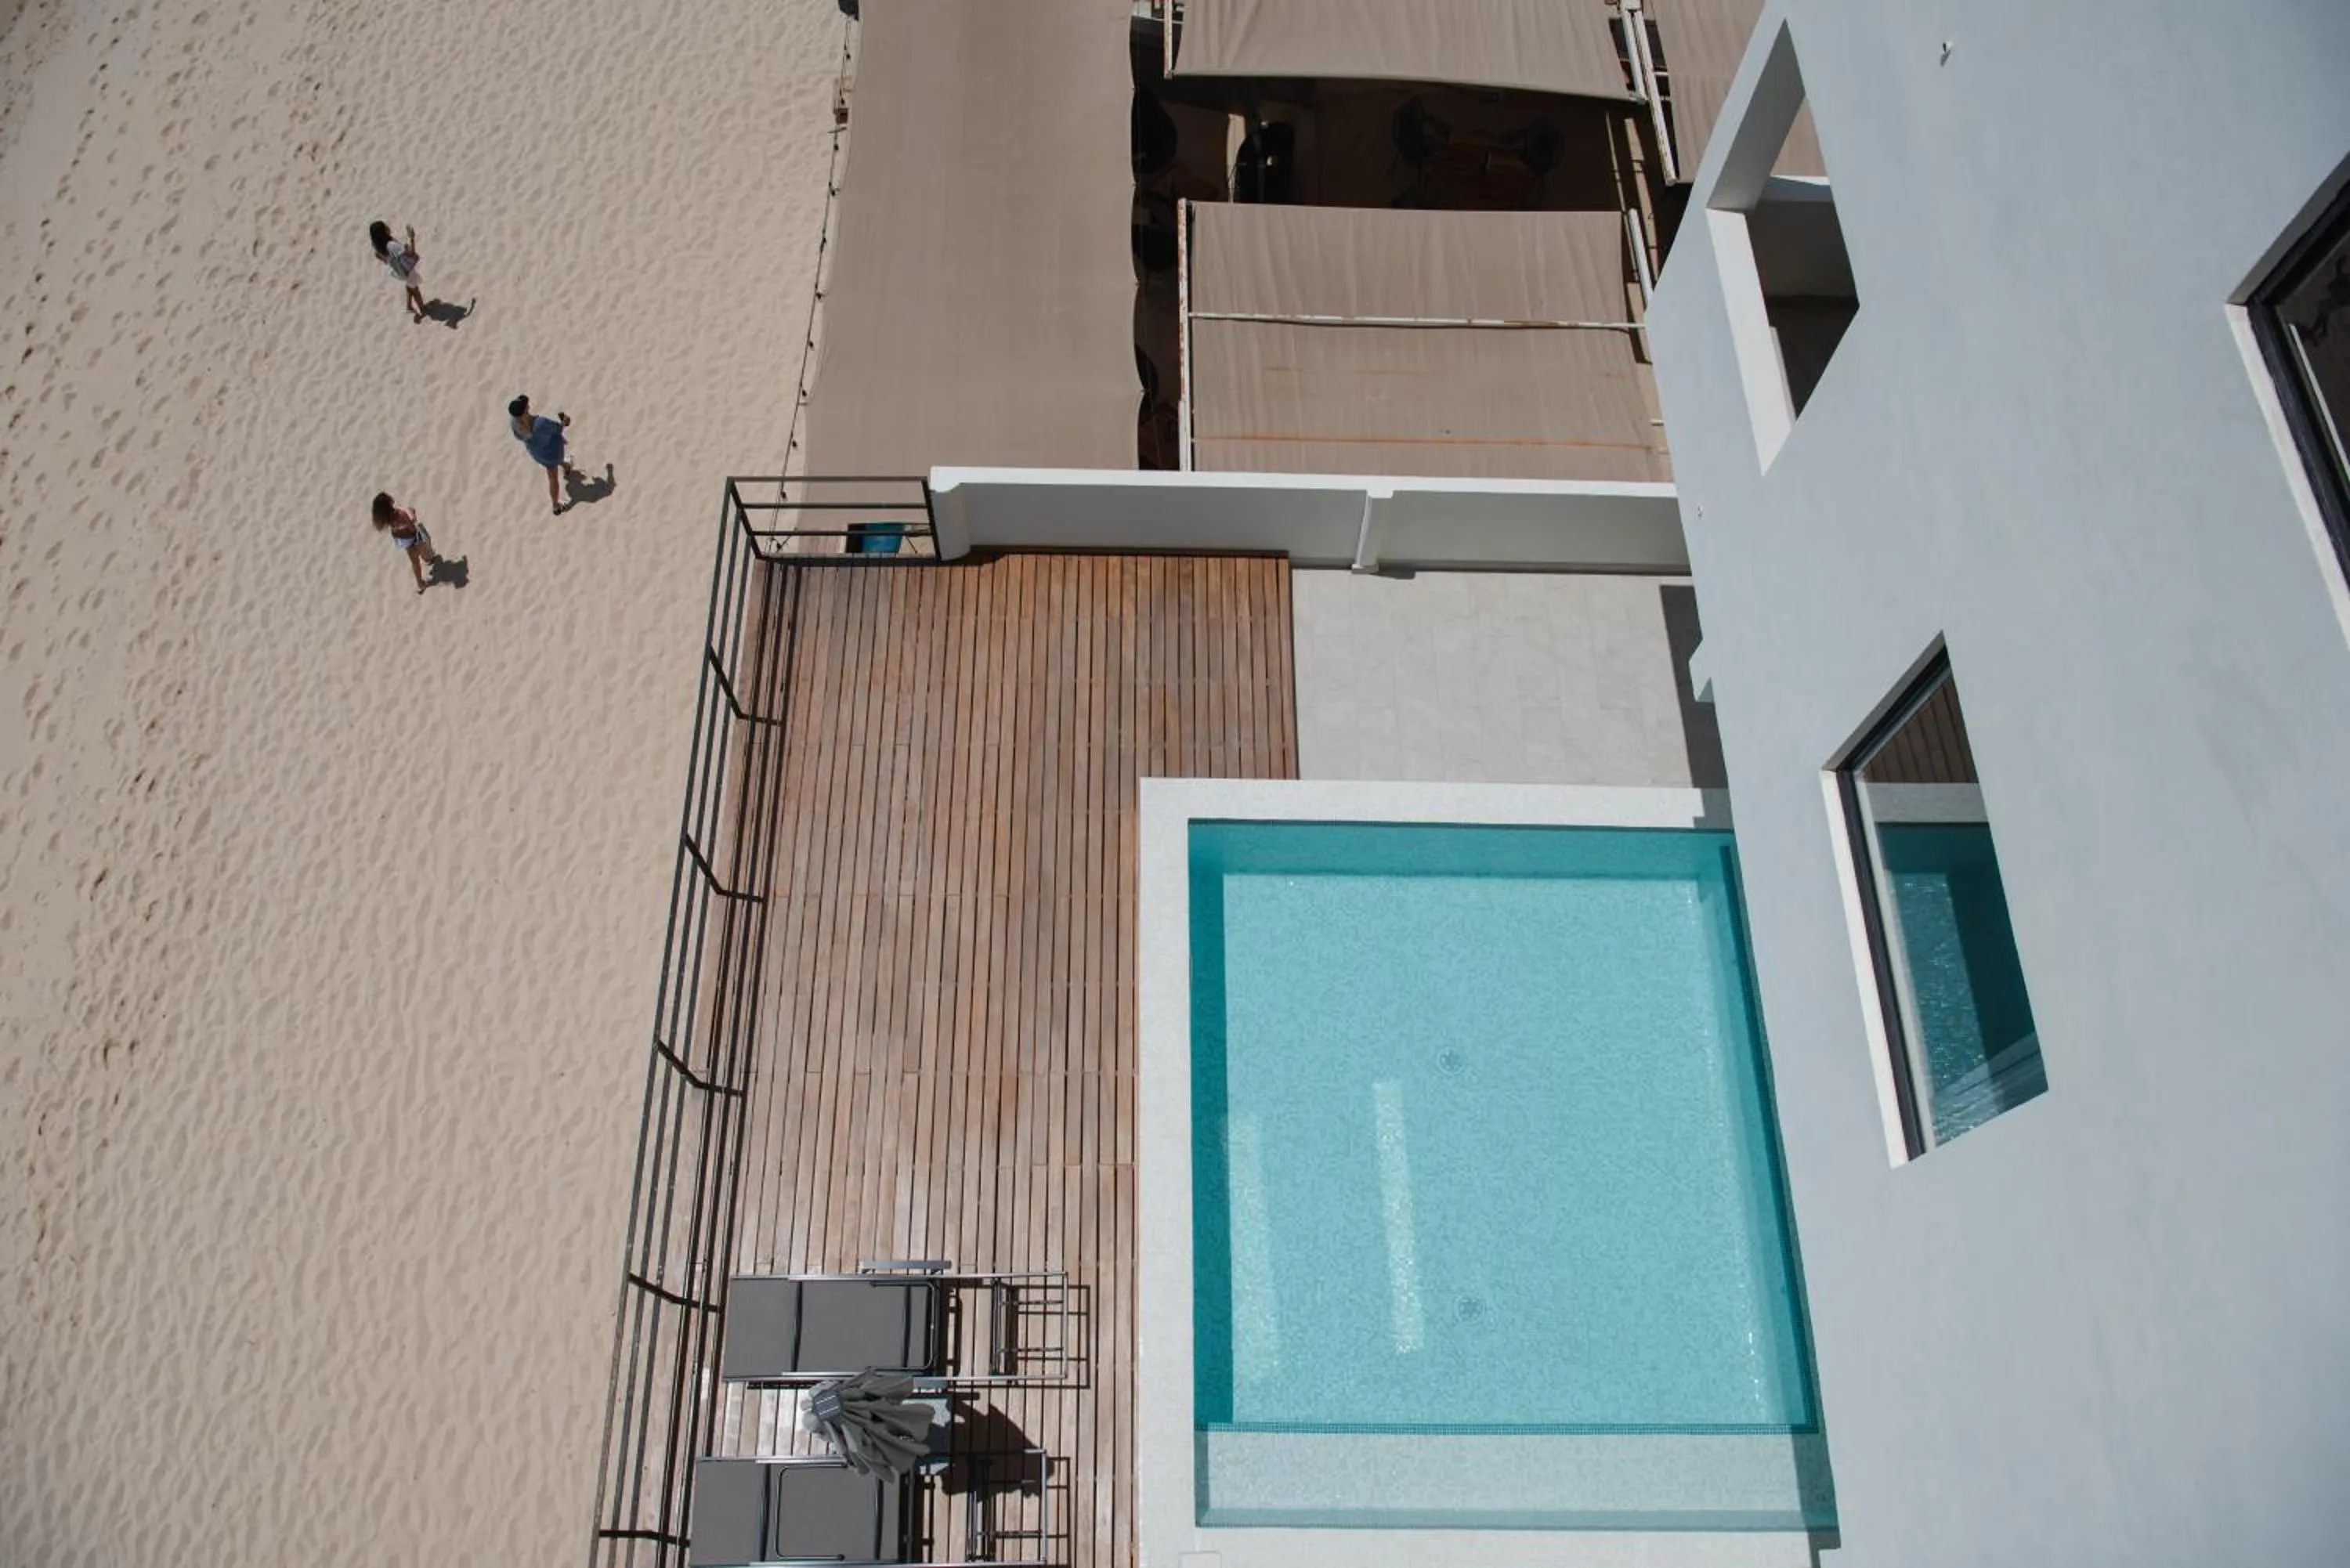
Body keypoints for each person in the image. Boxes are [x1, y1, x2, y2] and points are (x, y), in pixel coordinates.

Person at [508, 393, 580, 515]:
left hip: (537, 452)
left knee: (553, 469)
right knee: (553, 477)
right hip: (552, 450)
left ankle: (566, 468)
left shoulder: (514, 423)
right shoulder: (540, 423)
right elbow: (558, 428)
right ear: (526, 410)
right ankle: (556, 505)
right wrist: (565, 421)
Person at [371, 492, 445, 594]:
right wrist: (412, 514)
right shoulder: (400, 514)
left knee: (415, 562)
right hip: (412, 538)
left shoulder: (388, 519)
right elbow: (412, 528)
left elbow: (396, 528)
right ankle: (428, 559)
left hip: (404, 541)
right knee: (424, 547)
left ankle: (420, 583)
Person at [367, 220, 428, 322]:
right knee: (415, 290)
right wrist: (412, 238)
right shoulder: (391, 245)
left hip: (399, 271)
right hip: (407, 271)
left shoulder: (379, 247)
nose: (388, 227)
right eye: (386, 227)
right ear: (383, 232)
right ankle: (423, 310)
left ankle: (409, 306)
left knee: (410, 286)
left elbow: (383, 259)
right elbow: (411, 254)